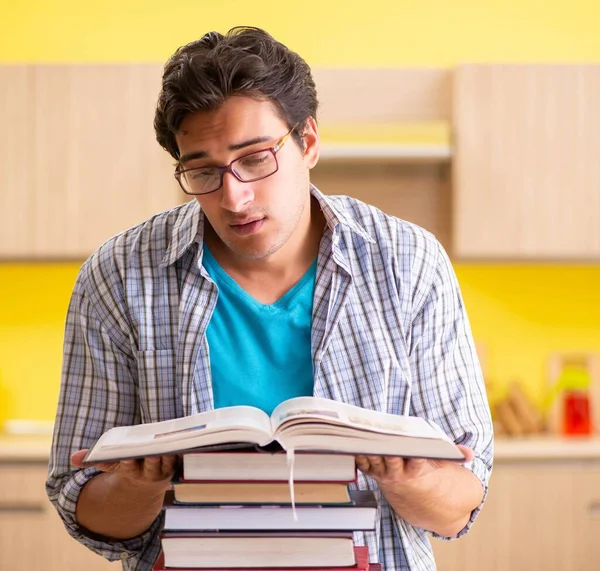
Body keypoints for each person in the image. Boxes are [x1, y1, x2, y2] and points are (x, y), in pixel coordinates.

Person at [46, 26, 493, 571]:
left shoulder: (409, 263)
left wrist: (407, 475)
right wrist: (142, 484)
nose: (234, 196)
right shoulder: (117, 276)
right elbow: (84, 506)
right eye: (203, 170)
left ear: (307, 142)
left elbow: (461, 501)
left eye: (256, 158)